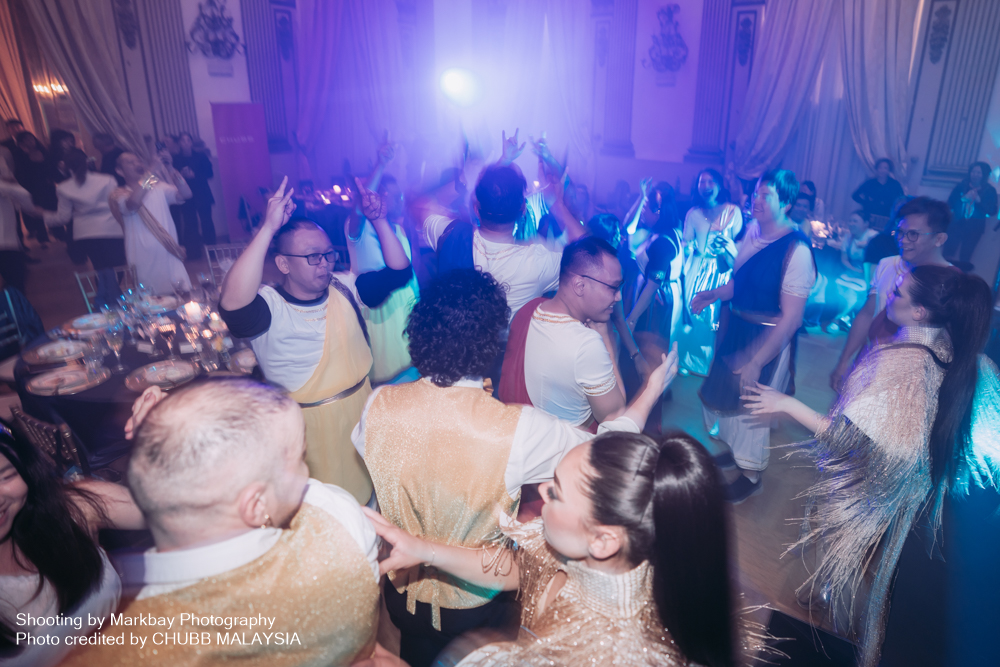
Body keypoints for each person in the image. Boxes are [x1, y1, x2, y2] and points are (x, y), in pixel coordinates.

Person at [352, 268, 674, 667]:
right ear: (492, 343)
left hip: (401, 594)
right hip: (476, 597)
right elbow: (605, 448)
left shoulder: (378, 404)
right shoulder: (518, 429)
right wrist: (651, 391)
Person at [743, 265, 994, 667]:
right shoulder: (947, 346)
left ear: (919, 312)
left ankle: (828, 601)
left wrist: (786, 404)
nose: (890, 294)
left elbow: (850, 442)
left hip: (877, 496)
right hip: (913, 502)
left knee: (861, 570)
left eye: (898, 293)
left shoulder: (904, 367)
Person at [60, 378, 383, 666]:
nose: (307, 471)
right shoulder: (337, 521)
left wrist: (177, 440)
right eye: (300, 458)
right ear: (255, 505)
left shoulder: (126, 649)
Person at [366, 430, 738, 667]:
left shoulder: (611, 655)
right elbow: (517, 567)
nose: (542, 490)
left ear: (603, 541)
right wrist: (423, 550)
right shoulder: (590, 550)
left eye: (556, 492)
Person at [219, 178, 375, 504]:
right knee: (321, 508)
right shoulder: (271, 306)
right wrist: (268, 228)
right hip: (309, 430)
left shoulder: (341, 287)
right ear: (283, 263)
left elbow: (397, 273)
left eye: (328, 254)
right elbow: (232, 306)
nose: (324, 263)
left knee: (368, 501)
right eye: (312, 256)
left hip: (361, 412)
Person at [693, 169, 815, 503]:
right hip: (736, 328)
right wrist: (714, 294)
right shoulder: (752, 231)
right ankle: (736, 455)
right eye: (756, 193)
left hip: (767, 338)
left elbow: (792, 318)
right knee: (728, 397)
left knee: (751, 409)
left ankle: (751, 475)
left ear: (785, 203)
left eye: (766, 195)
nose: (755, 200)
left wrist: (757, 361)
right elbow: (740, 282)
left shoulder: (797, 250)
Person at [0, 420, 137, 667]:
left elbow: (183, 511)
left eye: (5, 476)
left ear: (27, 469)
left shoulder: (70, 510)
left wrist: (165, 437)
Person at [501, 237, 673, 431]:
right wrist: (607, 341)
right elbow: (614, 417)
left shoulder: (530, 309)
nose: (618, 297)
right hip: (572, 443)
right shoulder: (586, 344)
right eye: (613, 287)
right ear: (579, 285)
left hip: (529, 430)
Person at [829, 197, 952, 391]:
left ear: (939, 239)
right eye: (900, 232)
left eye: (913, 234)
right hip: (870, 361)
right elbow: (867, 313)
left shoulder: (951, 281)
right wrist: (844, 361)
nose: (903, 240)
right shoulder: (887, 264)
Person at [345, 140, 419, 384]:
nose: (399, 200)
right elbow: (360, 208)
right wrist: (381, 164)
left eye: (400, 195)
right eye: (393, 195)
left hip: (407, 318)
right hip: (381, 320)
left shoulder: (398, 230)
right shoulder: (359, 229)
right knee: (388, 386)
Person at [676, 168, 743, 376]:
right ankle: (687, 361)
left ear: (719, 185)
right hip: (697, 266)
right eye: (701, 182)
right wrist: (687, 247)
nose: (706, 186)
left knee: (715, 317)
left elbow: (739, 243)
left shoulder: (733, 211)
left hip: (721, 270)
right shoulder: (693, 213)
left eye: (710, 182)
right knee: (693, 311)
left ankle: (711, 364)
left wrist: (727, 248)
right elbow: (686, 241)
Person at [40, 148, 125, 308]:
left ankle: (105, 302)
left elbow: (63, 218)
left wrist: (44, 215)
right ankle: (113, 300)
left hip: (85, 233)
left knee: (100, 269)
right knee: (116, 267)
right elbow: (117, 204)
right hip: (111, 228)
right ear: (87, 162)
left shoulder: (63, 187)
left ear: (65, 166)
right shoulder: (107, 179)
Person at [110, 152, 191, 295]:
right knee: (152, 302)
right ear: (119, 171)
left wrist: (171, 169)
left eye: (138, 160)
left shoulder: (158, 186)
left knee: (182, 297)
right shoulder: (119, 194)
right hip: (143, 259)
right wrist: (151, 172)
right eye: (130, 162)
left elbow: (186, 194)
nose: (137, 164)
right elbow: (134, 203)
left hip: (169, 253)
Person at [827, 210, 879, 332]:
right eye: (850, 221)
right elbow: (844, 259)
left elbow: (877, 259)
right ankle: (846, 317)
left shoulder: (873, 237)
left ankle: (836, 320)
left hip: (868, 274)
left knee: (851, 294)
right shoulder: (848, 237)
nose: (851, 223)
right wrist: (853, 270)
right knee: (838, 288)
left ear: (866, 223)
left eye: (855, 221)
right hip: (852, 271)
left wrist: (863, 272)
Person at [945, 161, 997, 265]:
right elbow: (950, 203)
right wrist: (962, 199)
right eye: (973, 172)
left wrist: (979, 201)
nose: (975, 175)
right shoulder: (961, 186)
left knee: (965, 256)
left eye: (979, 172)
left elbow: (992, 211)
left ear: (984, 175)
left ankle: (961, 273)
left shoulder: (990, 190)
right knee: (948, 252)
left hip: (975, 227)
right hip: (957, 224)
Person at [172, 131, 215, 256]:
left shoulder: (200, 156)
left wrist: (194, 175)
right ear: (179, 143)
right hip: (186, 195)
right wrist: (181, 176)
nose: (185, 143)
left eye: (188, 140)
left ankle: (212, 251)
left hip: (202, 192)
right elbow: (173, 177)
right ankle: (193, 252)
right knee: (190, 223)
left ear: (191, 142)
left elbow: (210, 173)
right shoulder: (176, 159)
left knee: (207, 221)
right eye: (183, 140)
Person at [12, 132, 53, 246]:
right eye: (26, 139)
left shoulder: (42, 150)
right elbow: (20, 172)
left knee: (50, 207)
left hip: (46, 185)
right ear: (21, 143)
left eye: (31, 138)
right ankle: (42, 238)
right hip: (31, 187)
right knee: (36, 211)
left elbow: (49, 166)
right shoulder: (19, 154)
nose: (30, 141)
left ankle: (56, 232)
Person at [0, 158, 34, 293]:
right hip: (6, 244)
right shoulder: (5, 187)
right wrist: (11, 183)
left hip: (7, 243)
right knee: (16, 284)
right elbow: (25, 197)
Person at [852, 158, 905, 226]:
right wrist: (865, 203)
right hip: (870, 215)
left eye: (885, 168)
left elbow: (902, 198)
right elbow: (855, 195)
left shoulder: (895, 184)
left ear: (889, 170)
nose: (882, 170)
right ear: (876, 169)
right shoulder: (869, 183)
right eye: (880, 167)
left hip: (887, 216)